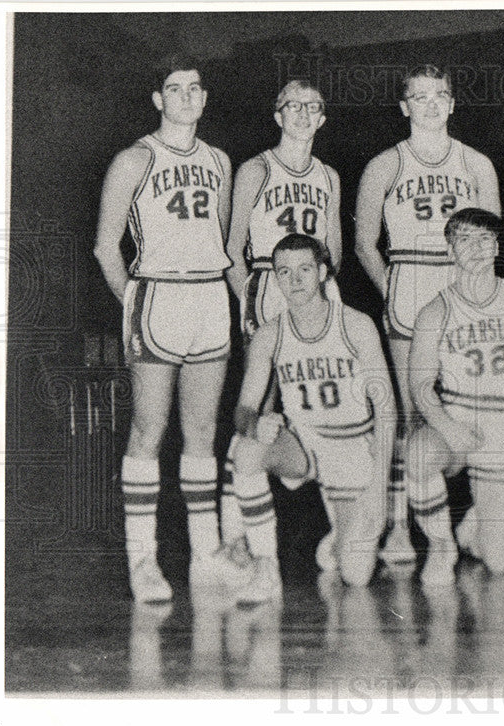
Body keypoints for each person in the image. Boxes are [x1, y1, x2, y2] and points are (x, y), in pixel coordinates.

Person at [94, 55, 233, 603]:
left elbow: (217, 237)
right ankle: (143, 561)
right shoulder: (134, 158)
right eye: (175, 89)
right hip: (157, 292)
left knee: (202, 434)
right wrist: (132, 302)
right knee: (147, 432)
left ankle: (205, 557)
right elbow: (107, 247)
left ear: (204, 97)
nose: (186, 97)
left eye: (195, 88)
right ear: (158, 99)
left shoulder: (220, 160)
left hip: (208, 294)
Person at [355, 64, 500, 565]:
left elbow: (489, 243)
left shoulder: (477, 164)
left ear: (453, 103)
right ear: (404, 106)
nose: (432, 104)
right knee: (411, 414)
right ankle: (400, 527)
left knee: (477, 405)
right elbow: (364, 244)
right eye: (420, 97)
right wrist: (392, 287)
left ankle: (476, 518)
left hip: (462, 291)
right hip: (409, 289)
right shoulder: (385, 165)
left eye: (441, 95)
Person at [229, 234, 394, 602]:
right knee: (247, 451)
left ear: (322, 272)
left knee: (356, 576)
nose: (295, 280)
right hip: (305, 444)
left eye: (304, 269)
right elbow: (242, 409)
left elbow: (387, 411)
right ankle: (265, 567)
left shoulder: (355, 324)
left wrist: (379, 487)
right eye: (284, 272)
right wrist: (255, 424)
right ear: (275, 278)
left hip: (353, 447)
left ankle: (341, 534)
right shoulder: (269, 335)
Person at [219, 79, 344, 556]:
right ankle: (235, 532)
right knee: (260, 406)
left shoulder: (329, 176)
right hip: (268, 284)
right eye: (293, 106)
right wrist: (248, 299)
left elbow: (334, 251)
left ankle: (340, 520)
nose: (303, 114)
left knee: (323, 397)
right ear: (277, 115)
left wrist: (324, 295)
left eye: (313, 107)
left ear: (322, 117)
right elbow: (230, 249)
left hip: (316, 286)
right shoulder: (256, 168)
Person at [406, 208, 504, 585]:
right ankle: (441, 543)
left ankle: (479, 512)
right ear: (449, 251)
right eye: (465, 240)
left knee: (498, 562)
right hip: (455, 425)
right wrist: (447, 427)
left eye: (485, 239)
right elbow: (420, 386)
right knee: (418, 454)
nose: (476, 248)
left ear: (496, 246)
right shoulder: (435, 310)